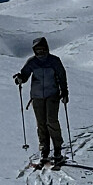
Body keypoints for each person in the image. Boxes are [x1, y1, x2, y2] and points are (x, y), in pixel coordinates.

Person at [13, 37, 69, 165]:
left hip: (52, 95)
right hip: (37, 97)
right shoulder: (32, 62)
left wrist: (64, 91)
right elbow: (25, 75)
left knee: (51, 121)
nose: (40, 52)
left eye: (42, 49)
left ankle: (57, 149)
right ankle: (44, 149)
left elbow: (62, 76)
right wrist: (20, 78)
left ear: (47, 48)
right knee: (41, 123)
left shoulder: (54, 61)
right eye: (38, 50)